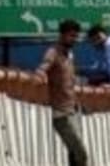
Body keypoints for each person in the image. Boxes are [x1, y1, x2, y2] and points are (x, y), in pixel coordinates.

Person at [40, 19, 89, 166]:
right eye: (71, 35)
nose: (74, 39)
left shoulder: (70, 55)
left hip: (72, 109)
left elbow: (70, 82)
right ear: (62, 35)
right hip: (60, 112)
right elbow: (44, 67)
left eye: (76, 36)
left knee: (74, 153)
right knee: (80, 152)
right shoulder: (53, 52)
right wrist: (40, 73)